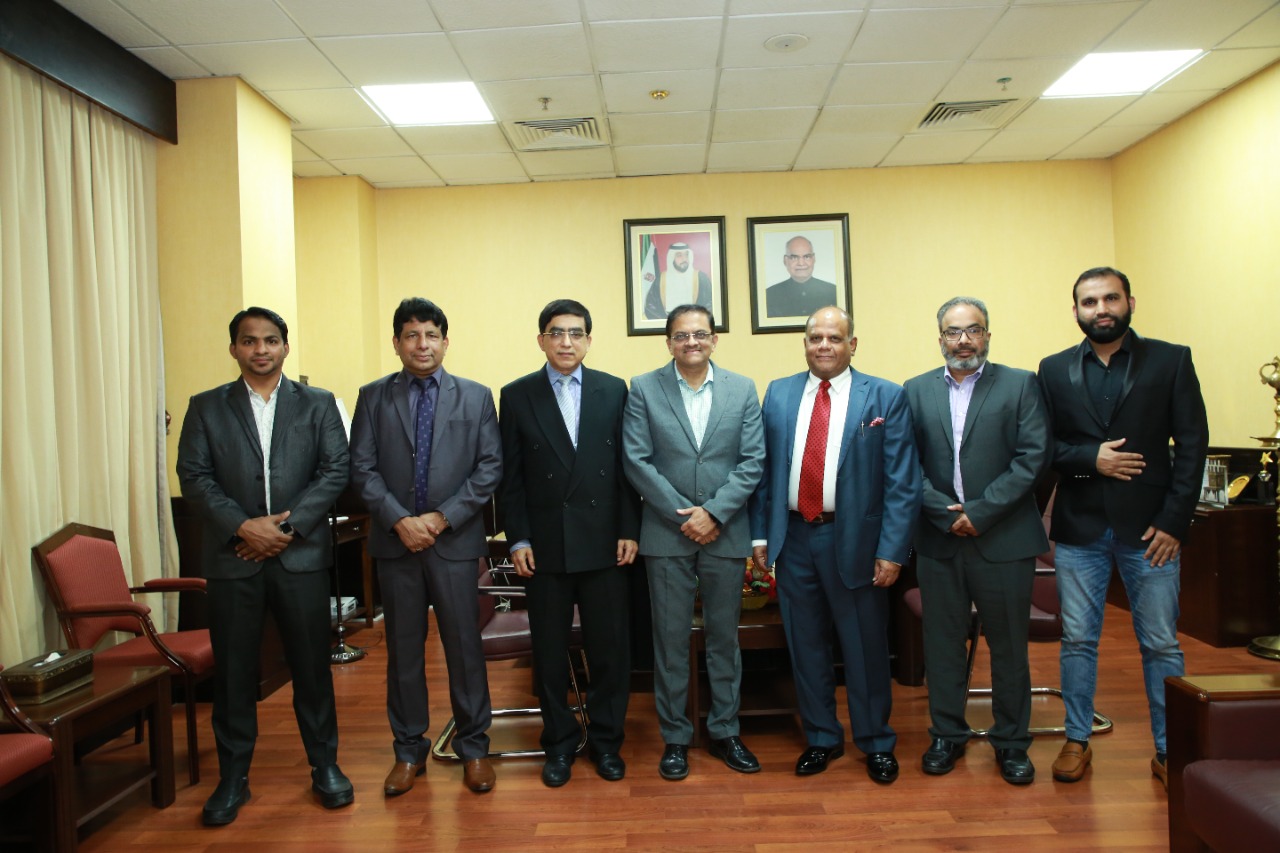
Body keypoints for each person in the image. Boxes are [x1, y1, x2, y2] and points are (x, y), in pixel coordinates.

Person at [177, 307, 353, 825]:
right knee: (234, 674)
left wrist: (286, 530)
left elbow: (335, 469)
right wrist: (243, 527)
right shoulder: (206, 407)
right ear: (234, 348)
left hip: (300, 558)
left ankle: (325, 766)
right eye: (249, 341)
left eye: (271, 340)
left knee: (312, 670)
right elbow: (194, 476)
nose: (261, 349)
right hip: (234, 559)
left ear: (285, 347)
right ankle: (233, 778)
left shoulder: (318, 404)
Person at [1038, 267, 1208, 788]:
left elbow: (1193, 443)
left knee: (1160, 643)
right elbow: (1046, 448)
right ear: (1075, 311)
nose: (1101, 309)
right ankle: (1076, 739)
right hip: (1080, 530)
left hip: (1152, 532)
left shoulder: (1171, 360)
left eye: (1110, 298)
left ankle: (1171, 749)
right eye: (1089, 302)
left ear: (1130, 302)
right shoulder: (1053, 369)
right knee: (1077, 640)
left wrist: (1174, 522)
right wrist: (1092, 458)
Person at [749, 306, 921, 783]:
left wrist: (892, 551)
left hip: (857, 542)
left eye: (834, 338)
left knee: (864, 646)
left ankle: (876, 742)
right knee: (805, 646)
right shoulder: (779, 393)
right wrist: (761, 534)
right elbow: (764, 472)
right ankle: (822, 737)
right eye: (815, 338)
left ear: (852, 344)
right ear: (805, 343)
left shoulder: (885, 396)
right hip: (793, 537)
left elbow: (903, 483)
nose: (823, 345)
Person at [348, 297, 503, 796]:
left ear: (445, 341)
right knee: (403, 651)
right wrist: (400, 521)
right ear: (396, 343)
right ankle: (408, 751)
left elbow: (489, 468)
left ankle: (474, 748)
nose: (422, 344)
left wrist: (441, 518)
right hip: (397, 545)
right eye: (411, 335)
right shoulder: (373, 397)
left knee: (464, 648)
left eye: (431, 334)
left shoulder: (476, 397)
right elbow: (362, 469)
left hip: (453, 541)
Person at [903, 297, 1050, 785]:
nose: (963, 340)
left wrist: (980, 513)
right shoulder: (915, 390)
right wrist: (944, 514)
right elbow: (905, 463)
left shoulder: (1020, 384)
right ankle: (947, 734)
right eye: (953, 331)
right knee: (942, 646)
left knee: (1008, 648)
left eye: (973, 330)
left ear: (987, 335)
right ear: (939, 338)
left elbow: (1033, 458)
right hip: (940, 538)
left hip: (1003, 539)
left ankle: (1012, 742)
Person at [498, 299, 641, 788]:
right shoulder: (517, 395)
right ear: (541, 340)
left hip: (605, 543)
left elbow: (627, 469)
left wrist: (629, 529)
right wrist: (517, 537)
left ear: (588, 340)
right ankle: (558, 743)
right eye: (556, 333)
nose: (566, 342)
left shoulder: (613, 390)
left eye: (576, 333)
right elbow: (511, 478)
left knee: (609, 651)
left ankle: (606, 742)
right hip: (545, 545)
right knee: (550, 654)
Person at [622, 304, 765, 780]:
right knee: (669, 642)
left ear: (714, 340)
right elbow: (637, 460)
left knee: (724, 639)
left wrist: (715, 513)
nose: (692, 342)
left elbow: (753, 461)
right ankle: (676, 738)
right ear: (669, 342)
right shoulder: (643, 388)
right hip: (667, 534)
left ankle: (725, 731)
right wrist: (685, 515)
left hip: (726, 530)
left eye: (700, 334)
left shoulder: (742, 389)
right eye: (682, 336)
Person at [764, 236, 837, 318]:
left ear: (813, 259)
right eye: (794, 257)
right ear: (785, 260)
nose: (801, 263)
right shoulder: (769, 295)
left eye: (807, 257)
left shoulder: (834, 292)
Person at [644, 242, 713, 320]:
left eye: (686, 255)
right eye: (679, 255)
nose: (684, 259)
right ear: (672, 258)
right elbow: (650, 306)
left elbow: (711, 303)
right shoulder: (661, 279)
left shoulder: (700, 277)